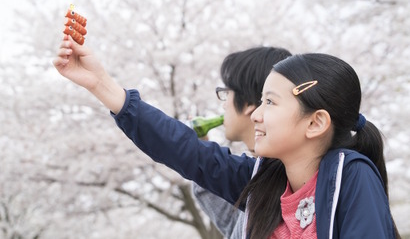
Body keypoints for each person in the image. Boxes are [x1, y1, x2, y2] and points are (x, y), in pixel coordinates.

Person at [54, 35, 400, 238]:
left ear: (315, 123)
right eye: (259, 100)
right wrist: (100, 83)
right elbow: (183, 149)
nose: (257, 114)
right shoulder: (261, 180)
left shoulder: (351, 176)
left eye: (270, 102)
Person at [192, 47, 291, 238]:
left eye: (225, 93)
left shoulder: (285, 178)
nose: (223, 104)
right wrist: (202, 152)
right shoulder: (261, 172)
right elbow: (234, 225)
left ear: (247, 103)